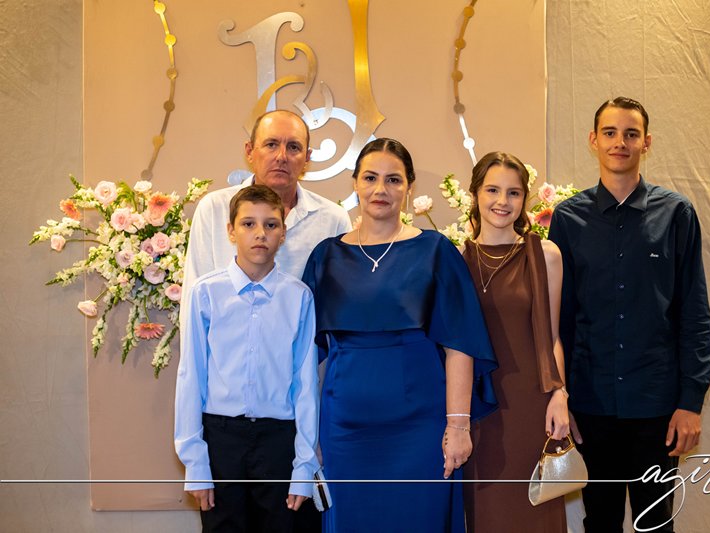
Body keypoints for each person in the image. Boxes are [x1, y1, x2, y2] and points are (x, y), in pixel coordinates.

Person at [301, 138, 498, 533]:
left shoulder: (435, 251)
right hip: (345, 429)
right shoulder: (326, 256)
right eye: (370, 178)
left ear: (408, 187)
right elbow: (305, 357)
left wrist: (458, 427)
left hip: (420, 429)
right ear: (355, 184)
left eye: (393, 180)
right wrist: (307, 435)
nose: (381, 189)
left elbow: (459, 345)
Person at [548, 97, 710, 533]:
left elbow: (694, 312)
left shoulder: (676, 214)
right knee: (600, 522)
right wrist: (560, 393)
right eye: (610, 132)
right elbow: (558, 319)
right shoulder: (568, 219)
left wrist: (690, 403)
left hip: (656, 405)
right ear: (593, 140)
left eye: (630, 134)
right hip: (590, 405)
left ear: (646, 142)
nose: (619, 142)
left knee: (655, 522)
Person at [174, 185, 320, 532]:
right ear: (231, 231)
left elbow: (305, 385)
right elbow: (191, 376)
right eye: (248, 224)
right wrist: (196, 464)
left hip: (278, 440)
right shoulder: (206, 293)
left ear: (283, 233)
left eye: (271, 225)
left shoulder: (299, 297)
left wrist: (304, 465)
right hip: (221, 439)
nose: (260, 234)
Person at [461, 152, 570, 533]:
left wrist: (560, 395)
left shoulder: (545, 255)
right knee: (487, 513)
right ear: (475, 194)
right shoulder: (457, 259)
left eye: (513, 192)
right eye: (492, 190)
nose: (502, 202)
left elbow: (552, 336)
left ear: (525, 198)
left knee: (535, 513)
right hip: (479, 409)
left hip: (533, 407)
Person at [182, 109, 352, 285]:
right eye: (271, 145)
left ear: (307, 158)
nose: (281, 157)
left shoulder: (333, 220)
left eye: (293, 147)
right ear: (249, 151)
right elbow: (195, 291)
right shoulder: (215, 208)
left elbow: (340, 294)